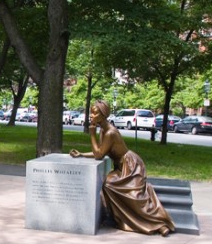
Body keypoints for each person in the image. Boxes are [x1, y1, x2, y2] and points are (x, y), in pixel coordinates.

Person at [70, 100, 174, 236]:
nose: (91, 116)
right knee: (109, 185)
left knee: (130, 193)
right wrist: (82, 154)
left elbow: (99, 155)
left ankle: (159, 224)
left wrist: (91, 134)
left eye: (94, 113)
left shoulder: (110, 133)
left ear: (103, 115)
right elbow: (101, 151)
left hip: (131, 166)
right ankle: (124, 218)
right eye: (91, 113)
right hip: (121, 167)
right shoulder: (103, 130)